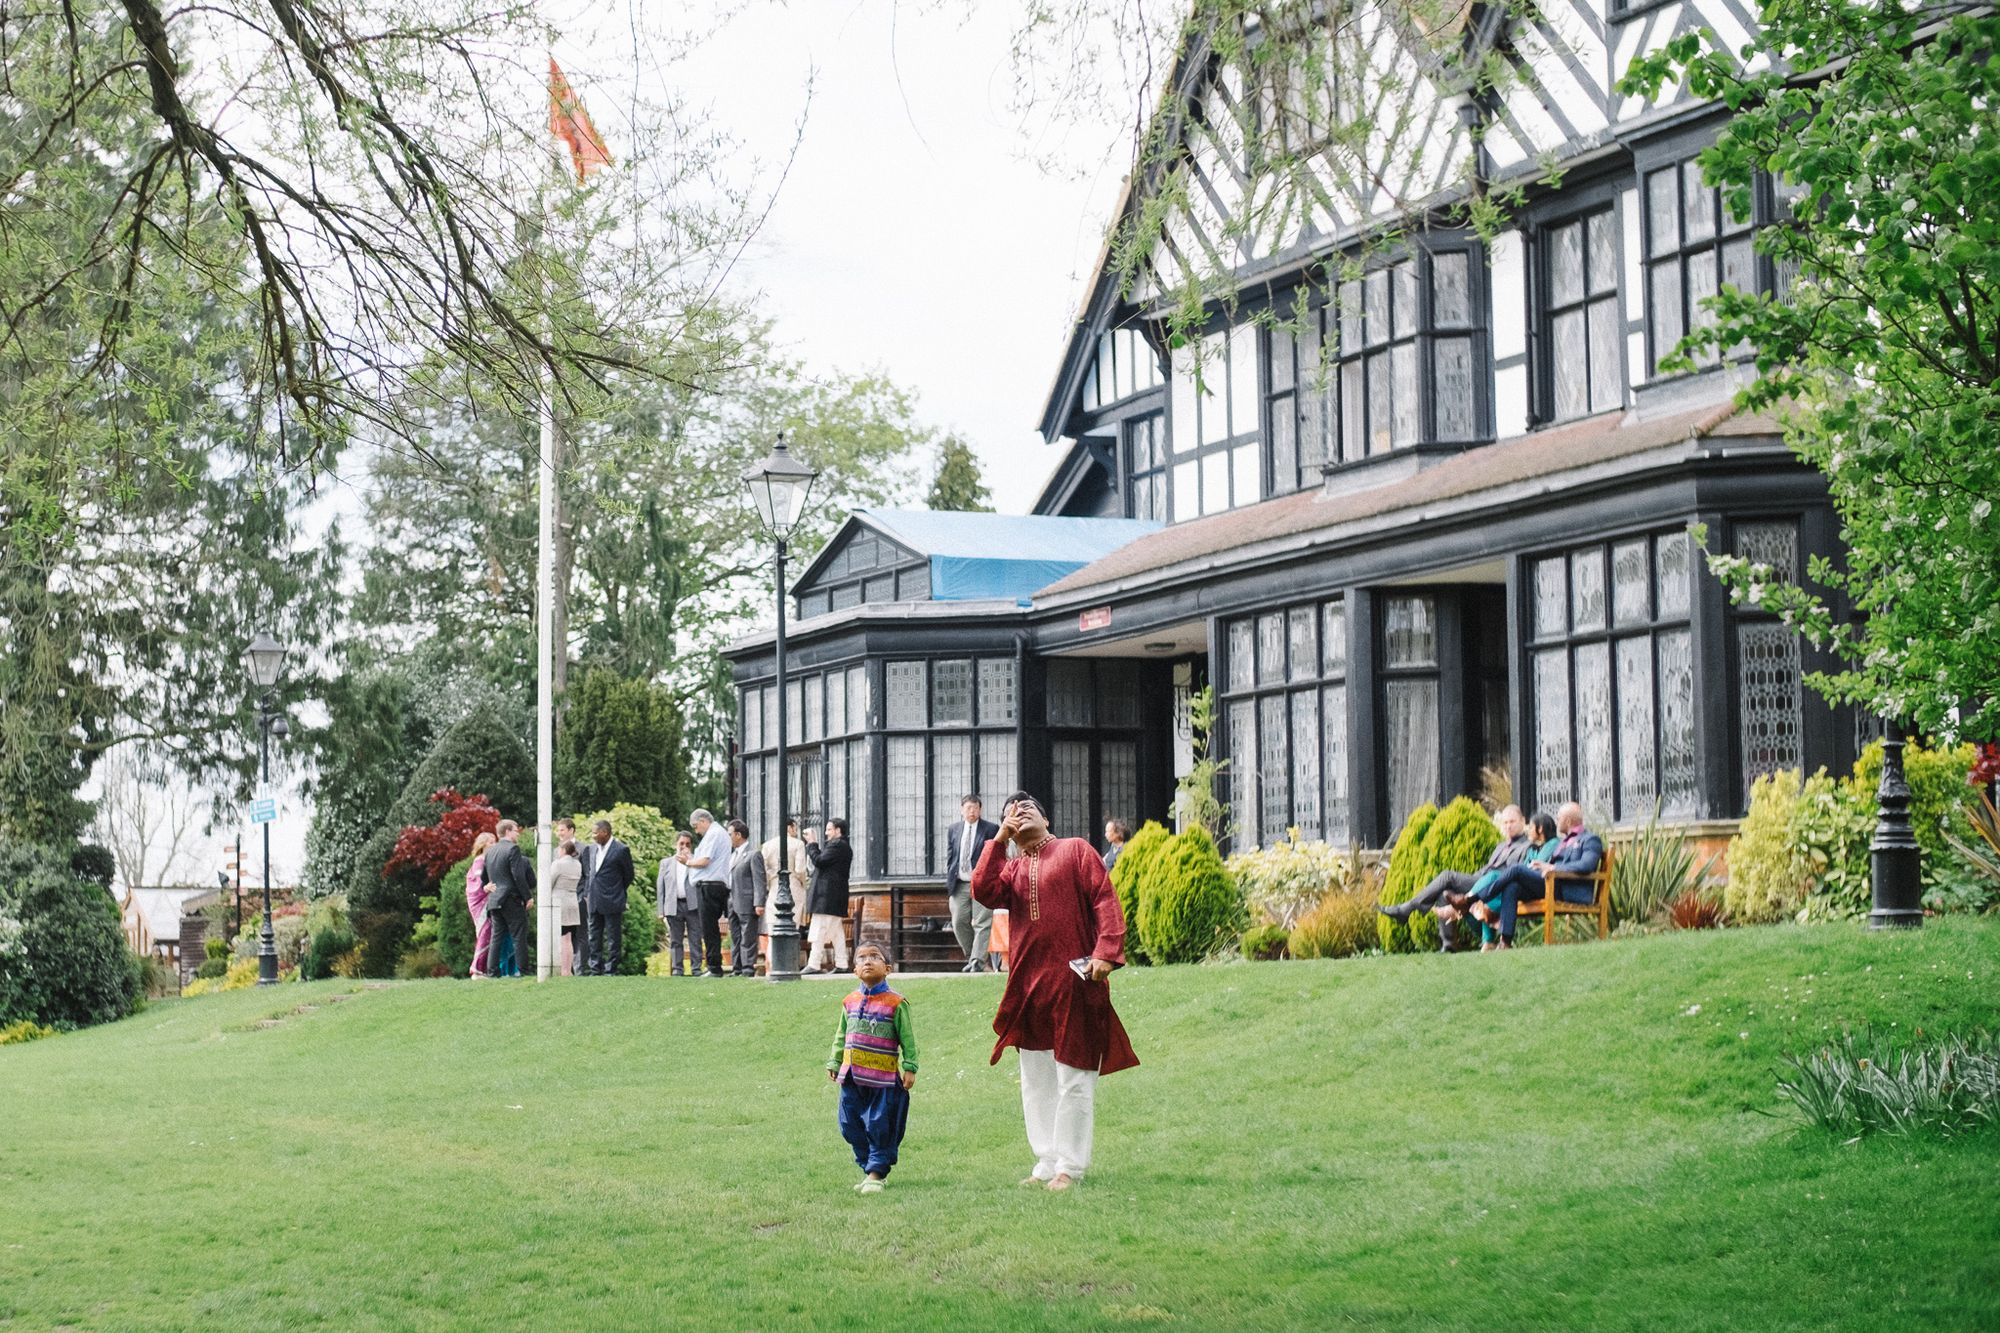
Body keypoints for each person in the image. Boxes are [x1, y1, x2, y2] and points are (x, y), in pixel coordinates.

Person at [972, 790, 1138, 1192]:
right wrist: (997, 840)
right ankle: (1045, 1161)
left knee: (1075, 1076)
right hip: (1027, 987)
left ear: (1046, 821)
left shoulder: (1076, 851)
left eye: (1030, 808)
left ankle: (1071, 1166)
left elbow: (1105, 901)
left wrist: (1106, 952)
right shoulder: (1011, 870)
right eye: (1013, 811)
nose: (1022, 811)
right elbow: (982, 888)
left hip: (1074, 983)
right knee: (1036, 1079)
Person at [825, 941, 918, 1194]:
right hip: (852, 1076)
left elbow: (908, 1038)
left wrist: (910, 1066)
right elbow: (841, 1034)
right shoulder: (849, 1002)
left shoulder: (896, 1003)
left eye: (874, 957)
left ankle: (876, 1173)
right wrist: (835, 1061)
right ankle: (870, 1167)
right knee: (849, 1124)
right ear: (855, 970)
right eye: (862, 958)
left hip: (883, 1079)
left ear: (887, 968)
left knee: (880, 1124)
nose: (867, 961)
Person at [1378, 805, 1530, 952]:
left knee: (1448, 876)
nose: (1508, 826)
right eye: (1505, 822)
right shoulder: (1500, 847)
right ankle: (1449, 943)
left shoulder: (1527, 847)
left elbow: (1518, 874)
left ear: (1523, 821)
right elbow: (1486, 869)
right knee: (1446, 891)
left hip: (1496, 886)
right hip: (1480, 881)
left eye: (1512, 822)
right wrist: (1471, 880)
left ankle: (1407, 908)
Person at [1473, 802, 1604, 949]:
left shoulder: (1590, 840)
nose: (1556, 820)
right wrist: (1541, 867)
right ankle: (1505, 942)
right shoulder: (1563, 842)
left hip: (1568, 889)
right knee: (1512, 886)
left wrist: (1554, 867)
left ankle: (1476, 897)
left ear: (1568, 821)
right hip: (1551, 885)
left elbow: (1586, 865)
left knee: (1516, 869)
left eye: (1559, 817)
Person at [943, 795, 1000, 972]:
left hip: (981, 883)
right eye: (968, 808)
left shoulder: (991, 829)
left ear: (980, 810)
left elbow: (995, 855)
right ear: (962, 810)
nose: (972, 811)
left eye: (975, 808)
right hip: (959, 883)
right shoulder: (954, 829)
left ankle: (977, 962)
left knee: (983, 922)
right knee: (959, 921)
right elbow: (951, 856)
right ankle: (972, 956)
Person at [482, 820, 535, 978]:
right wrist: (528, 897)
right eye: (516, 830)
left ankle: (492, 972)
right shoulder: (513, 849)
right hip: (511, 899)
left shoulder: (490, 852)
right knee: (519, 936)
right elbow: (518, 876)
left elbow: (484, 878)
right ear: (507, 832)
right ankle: (523, 971)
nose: (518, 833)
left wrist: (487, 886)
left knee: (496, 937)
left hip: (494, 900)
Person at [801, 817, 854, 975]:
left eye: (829, 829)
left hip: (827, 897)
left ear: (838, 831)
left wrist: (811, 843)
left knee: (818, 930)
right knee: (837, 933)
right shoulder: (841, 846)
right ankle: (842, 963)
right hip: (834, 897)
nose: (826, 832)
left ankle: (814, 964)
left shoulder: (837, 845)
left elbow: (819, 861)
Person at [583, 818, 634, 976]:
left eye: (595, 832)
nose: (593, 836)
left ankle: (611, 968)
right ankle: (595, 968)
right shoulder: (591, 849)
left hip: (612, 898)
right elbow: (589, 873)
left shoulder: (620, 850)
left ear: (605, 832)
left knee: (613, 936)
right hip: (593, 899)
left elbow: (629, 875)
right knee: (594, 935)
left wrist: (617, 890)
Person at [683, 809, 731, 978]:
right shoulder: (718, 833)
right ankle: (713, 965)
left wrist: (687, 861)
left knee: (709, 928)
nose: (696, 831)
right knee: (710, 928)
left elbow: (704, 861)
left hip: (710, 886)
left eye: (696, 826)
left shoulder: (714, 834)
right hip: (714, 884)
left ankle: (714, 967)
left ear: (703, 821)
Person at [656, 830, 704, 976]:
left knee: (695, 938)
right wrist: (661, 910)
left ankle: (696, 968)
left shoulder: (697, 861)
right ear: (676, 844)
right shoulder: (666, 863)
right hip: (673, 905)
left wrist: (690, 862)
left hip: (693, 905)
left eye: (687, 844)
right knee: (675, 940)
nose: (684, 847)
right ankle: (678, 969)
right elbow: (661, 887)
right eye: (681, 843)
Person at [761, 818, 809, 964]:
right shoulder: (798, 844)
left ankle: (773, 965)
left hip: (774, 889)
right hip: (793, 887)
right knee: (791, 929)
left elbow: (763, 870)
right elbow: (800, 869)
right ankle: (788, 963)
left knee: (772, 932)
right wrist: (803, 883)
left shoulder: (767, 845)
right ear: (791, 827)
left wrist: (770, 881)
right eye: (795, 828)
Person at [725, 819, 767, 976]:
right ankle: (737, 968)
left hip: (747, 901)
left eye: (730, 834)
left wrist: (759, 902)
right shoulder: (733, 855)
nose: (728, 838)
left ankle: (748, 968)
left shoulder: (753, 854)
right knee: (735, 936)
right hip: (732, 900)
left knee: (747, 936)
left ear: (738, 835)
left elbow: (759, 880)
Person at [549, 838, 584, 976]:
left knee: (561, 936)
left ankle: (562, 969)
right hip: (572, 900)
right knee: (569, 937)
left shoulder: (558, 864)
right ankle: (568, 969)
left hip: (559, 901)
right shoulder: (577, 864)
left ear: (563, 850)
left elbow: (549, 882)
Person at [465, 831, 497, 978]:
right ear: (483, 844)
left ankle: (484, 968)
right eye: (491, 842)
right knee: (484, 933)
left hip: (486, 900)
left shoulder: (489, 859)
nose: (494, 844)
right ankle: (476, 969)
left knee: (488, 933)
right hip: (480, 902)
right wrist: (485, 888)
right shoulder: (480, 861)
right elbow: (478, 881)